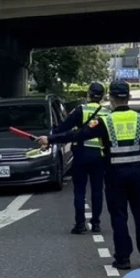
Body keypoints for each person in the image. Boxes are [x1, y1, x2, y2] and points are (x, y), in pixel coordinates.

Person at [38, 81, 140, 270]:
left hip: (114, 175)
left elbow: (78, 135)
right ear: (129, 97)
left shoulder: (105, 121)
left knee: (119, 217)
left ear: (110, 98)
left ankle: (123, 258)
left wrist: (50, 139)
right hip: (136, 174)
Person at [51, 82, 108, 235]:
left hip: (82, 153)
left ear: (88, 94)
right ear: (102, 96)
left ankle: (80, 224)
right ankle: (96, 223)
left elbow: (63, 128)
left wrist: (51, 137)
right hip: (100, 155)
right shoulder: (107, 113)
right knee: (97, 190)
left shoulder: (80, 110)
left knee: (79, 191)